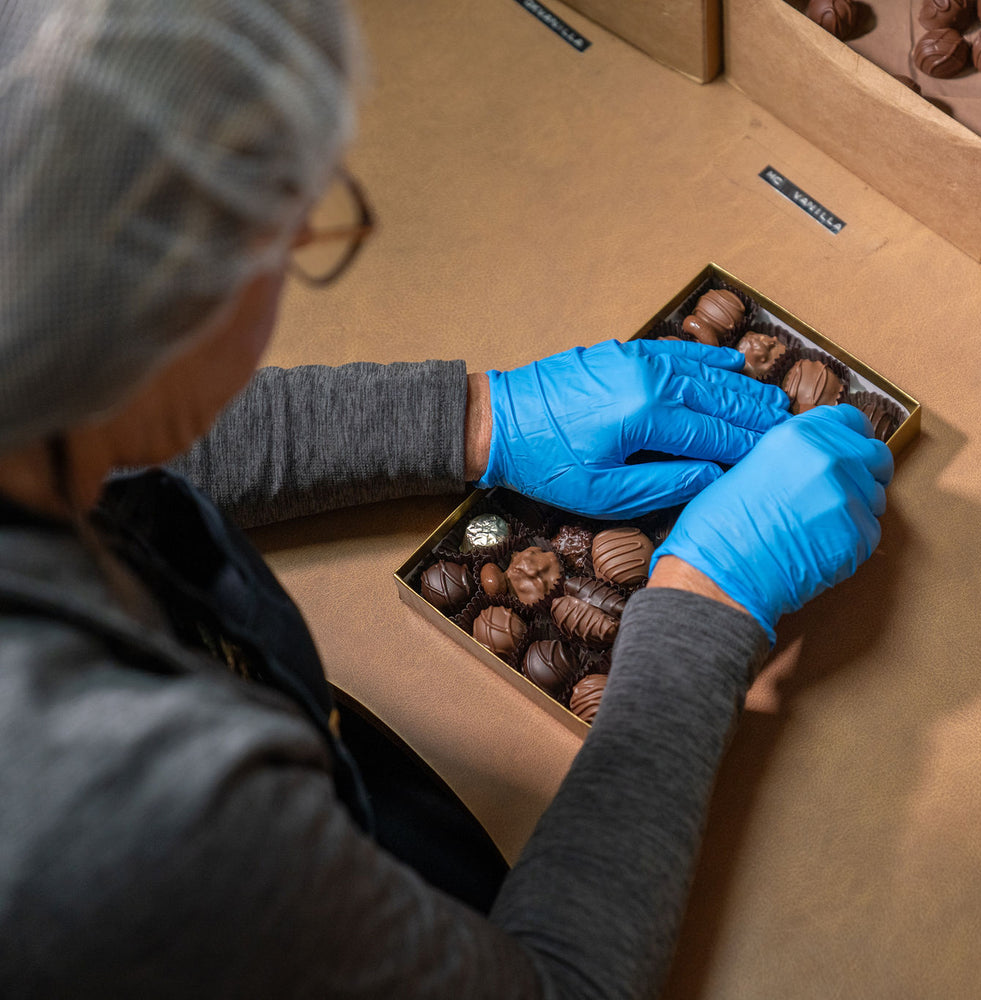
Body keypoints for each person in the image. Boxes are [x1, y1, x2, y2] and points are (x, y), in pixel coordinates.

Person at [0, 0, 893, 997]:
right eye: (280, 239)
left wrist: (472, 420)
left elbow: (99, 433)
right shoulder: (120, 813)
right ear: (136, 303)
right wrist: (702, 611)